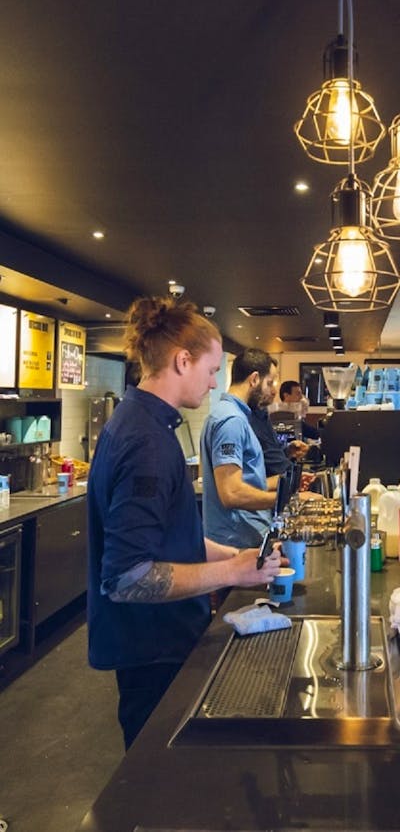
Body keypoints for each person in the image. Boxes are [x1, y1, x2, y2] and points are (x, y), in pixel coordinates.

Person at [87, 297, 282, 751]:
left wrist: (236, 556)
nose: (215, 383)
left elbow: (175, 542)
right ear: (182, 360)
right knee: (154, 789)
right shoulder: (145, 443)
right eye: (212, 370)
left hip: (161, 640)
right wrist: (233, 573)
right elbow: (127, 577)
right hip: (152, 648)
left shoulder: (147, 423)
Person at [201, 348, 280, 549]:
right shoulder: (231, 420)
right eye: (269, 382)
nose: (271, 390)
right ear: (254, 379)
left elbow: (246, 479)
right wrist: (283, 500)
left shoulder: (234, 415)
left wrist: (284, 484)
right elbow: (231, 492)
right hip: (237, 542)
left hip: (245, 536)